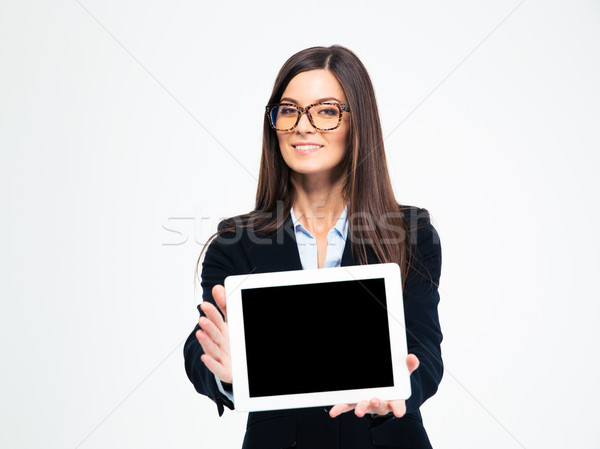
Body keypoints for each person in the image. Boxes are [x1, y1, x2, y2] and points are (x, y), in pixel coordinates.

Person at [183, 44, 443, 449]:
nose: (304, 126)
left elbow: (424, 350)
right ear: (275, 125)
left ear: (357, 124)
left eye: (325, 110)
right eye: (289, 110)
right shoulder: (234, 243)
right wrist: (229, 372)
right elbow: (202, 349)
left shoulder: (411, 233)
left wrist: (400, 390)